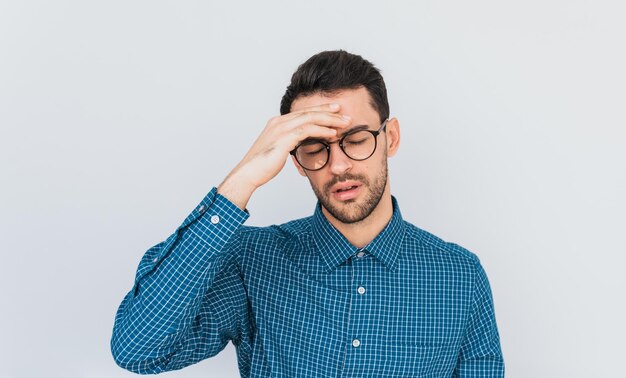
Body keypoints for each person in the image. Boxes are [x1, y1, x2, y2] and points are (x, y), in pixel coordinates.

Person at [111, 50, 504, 377]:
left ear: (391, 138)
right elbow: (138, 349)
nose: (338, 166)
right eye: (315, 147)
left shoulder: (460, 275)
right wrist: (240, 181)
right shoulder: (253, 260)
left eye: (355, 140)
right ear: (296, 160)